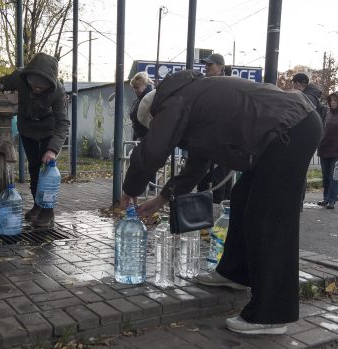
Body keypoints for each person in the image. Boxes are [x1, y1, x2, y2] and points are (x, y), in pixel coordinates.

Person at [121, 70, 322, 335]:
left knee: (268, 219)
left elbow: (153, 150)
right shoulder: (192, 102)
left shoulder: (174, 102)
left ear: (155, 118)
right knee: (242, 200)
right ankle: (235, 273)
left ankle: (271, 315)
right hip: (283, 131)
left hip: (289, 130)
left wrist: (130, 190)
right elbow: (198, 164)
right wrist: (161, 199)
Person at [0, 53, 69, 228]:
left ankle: (48, 210)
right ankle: (37, 204)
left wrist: (53, 150)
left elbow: (63, 123)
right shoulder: (18, 77)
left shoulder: (58, 90)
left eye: (42, 87)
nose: (36, 89)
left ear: (50, 83)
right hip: (27, 128)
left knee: (47, 170)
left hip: (48, 129)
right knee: (33, 167)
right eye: (33, 84)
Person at [197, 52, 231, 202]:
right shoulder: (206, 84)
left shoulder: (226, 85)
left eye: (210, 65)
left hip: (222, 140)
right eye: (206, 64)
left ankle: (220, 211)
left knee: (219, 179)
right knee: (204, 180)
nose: (206, 67)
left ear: (220, 67)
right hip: (207, 139)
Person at [128, 72, 153, 141]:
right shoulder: (138, 100)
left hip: (147, 137)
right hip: (140, 136)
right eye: (134, 88)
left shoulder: (151, 99)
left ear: (144, 85)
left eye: (137, 87)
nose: (135, 90)